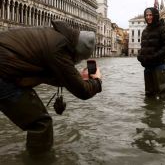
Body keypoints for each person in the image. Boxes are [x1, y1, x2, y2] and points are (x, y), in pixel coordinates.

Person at [0, 20, 102, 153]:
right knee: (41, 123)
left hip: (7, 68)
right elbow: (83, 92)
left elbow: (49, 74)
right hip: (3, 73)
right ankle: (38, 161)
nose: (76, 61)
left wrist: (75, 78)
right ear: (76, 52)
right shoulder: (59, 49)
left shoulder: (54, 35)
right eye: (78, 58)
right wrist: (97, 81)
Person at [137, 7, 165, 99]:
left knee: (161, 93)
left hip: (158, 65)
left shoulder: (163, 29)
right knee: (149, 93)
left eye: (150, 15)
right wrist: (140, 56)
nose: (148, 17)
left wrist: (154, 56)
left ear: (155, 16)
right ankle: (150, 112)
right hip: (147, 66)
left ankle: (160, 112)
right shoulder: (145, 31)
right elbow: (143, 47)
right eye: (146, 15)